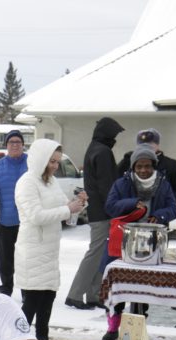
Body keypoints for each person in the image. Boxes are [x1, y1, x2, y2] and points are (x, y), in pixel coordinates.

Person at [14, 139, 88, 340]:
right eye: (52, 162)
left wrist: (78, 204)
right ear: (41, 160)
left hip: (50, 249)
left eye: (57, 162)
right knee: (31, 302)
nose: (55, 166)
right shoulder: (27, 183)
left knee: (48, 299)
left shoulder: (51, 182)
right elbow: (36, 216)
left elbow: (65, 209)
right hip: (33, 250)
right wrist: (67, 209)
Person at [100, 144, 176, 340]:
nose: (143, 170)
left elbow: (173, 208)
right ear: (133, 167)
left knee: (143, 285)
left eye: (147, 166)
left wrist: (160, 215)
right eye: (139, 166)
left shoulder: (163, 184)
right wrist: (132, 203)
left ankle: (138, 324)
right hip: (123, 241)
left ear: (154, 166)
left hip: (151, 243)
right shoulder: (121, 184)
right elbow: (110, 207)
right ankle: (113, 326)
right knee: (118, 283)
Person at [65, 116, 125, 309]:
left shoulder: (94, 148)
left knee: (100, 253)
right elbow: (107, 185)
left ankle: (94, 295)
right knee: (96, 252)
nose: (115, 139)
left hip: (97, 209)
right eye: (114, 135)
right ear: (107, 134)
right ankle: (75, 294)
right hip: (103, 211)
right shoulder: (103, 152)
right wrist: (115, 208)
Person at [0, 129, 29, 296]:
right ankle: (6, 290)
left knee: (26, 259)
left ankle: (27, 292)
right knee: (6, 260)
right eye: (11, 142)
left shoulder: (31, 164)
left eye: (18, 142)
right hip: (7, 222)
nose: (15, 145)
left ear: (23, 145)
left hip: (28, 223)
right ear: (7, 145)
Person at [116, 128, 176, 193]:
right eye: (141, 144)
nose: (145, 147)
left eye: (149, 144)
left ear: (157, 145)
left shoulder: (172, 165)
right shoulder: (127, 162)